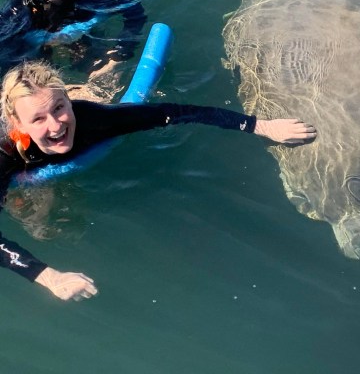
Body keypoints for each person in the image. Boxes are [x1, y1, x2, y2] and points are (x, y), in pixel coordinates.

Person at [0, 60, 317, 301]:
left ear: (69, 101)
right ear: (18, 124)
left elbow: (171, 112)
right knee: (39, 223)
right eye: (38, 119)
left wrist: (259, 126)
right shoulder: (4, 155)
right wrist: (50, 277)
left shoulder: (92, 119)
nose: (56, 125)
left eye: (59, 108)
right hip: (19, 166)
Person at [0, 0, 146, 100]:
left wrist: (119, 54)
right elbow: (9, 68)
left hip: (80, 30)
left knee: (105, 81)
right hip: (36, 46)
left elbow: (134, 10)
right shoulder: (17, 16)